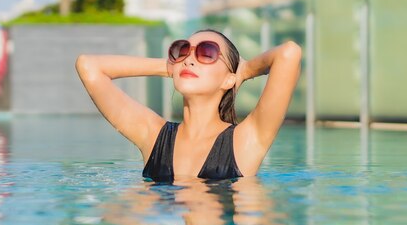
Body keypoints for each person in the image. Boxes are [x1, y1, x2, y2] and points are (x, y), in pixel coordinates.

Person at [75, 29, 302, 181]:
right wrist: (171, 67)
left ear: (227, 79)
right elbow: (89, 66)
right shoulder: (154, 136)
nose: (189, 59)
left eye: (207, 52)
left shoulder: (245, 140)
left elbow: (288, 54)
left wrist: (244, 71)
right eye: (182, 50)